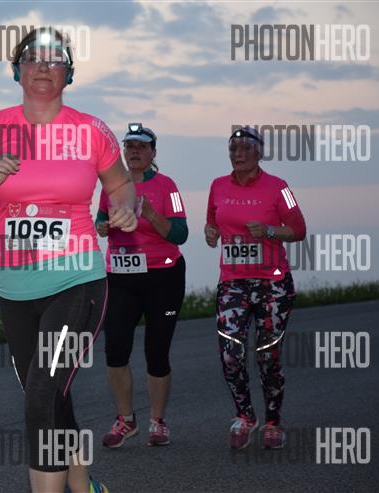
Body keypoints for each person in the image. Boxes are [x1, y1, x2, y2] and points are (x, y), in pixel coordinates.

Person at [0, 27, 137, 493]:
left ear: (68, 73)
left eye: (55, 59)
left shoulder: (92, 131)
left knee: (41, 394)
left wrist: (125, 205)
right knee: (52, 395)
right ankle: (85, 486)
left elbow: (120, 183)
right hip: (14, 288)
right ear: (17, 71)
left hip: (77, 279)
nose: (44, 66)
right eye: (33, 58)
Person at [204, 126, 306, 450]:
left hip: (272, 283)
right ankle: (245, 416)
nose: (238, 154)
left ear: (259, 153)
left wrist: (270, 231)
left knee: (267, 355)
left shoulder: (279, 187)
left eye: (245, 148)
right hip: (233, 282)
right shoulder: (218, 186)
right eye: (233, 149)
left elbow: (299, 229)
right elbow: (212, 223)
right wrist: (210, 234)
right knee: (230, 354)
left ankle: (273, 421)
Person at [95, 124, 188, 448]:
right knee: (115, 348)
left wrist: (150, 213)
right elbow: (100, 219)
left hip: (163, 278)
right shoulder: (110, 185)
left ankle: (157, 422)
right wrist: (102, 227)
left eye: (141, 146)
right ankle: (126, 420)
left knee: (156, 351)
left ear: (153, 153)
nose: (134, 151)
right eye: (130, 146)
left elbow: (180, 234)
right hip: (121, 278)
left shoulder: (167, 186)